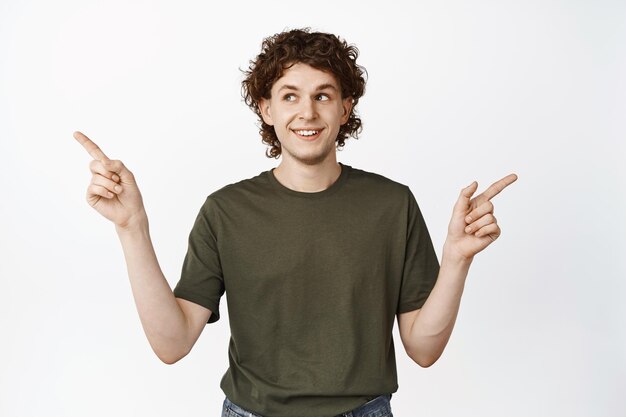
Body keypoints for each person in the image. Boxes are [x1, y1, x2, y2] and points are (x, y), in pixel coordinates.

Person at [74, 28, 517, 417]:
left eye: (323, 95)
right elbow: (172, 345)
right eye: (290, 96)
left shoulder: (392, 205)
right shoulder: (225, 211)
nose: (307, 112)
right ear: (266, 109)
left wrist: (457, 260)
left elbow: (423, 349)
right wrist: (132, 228)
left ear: (345, 108)